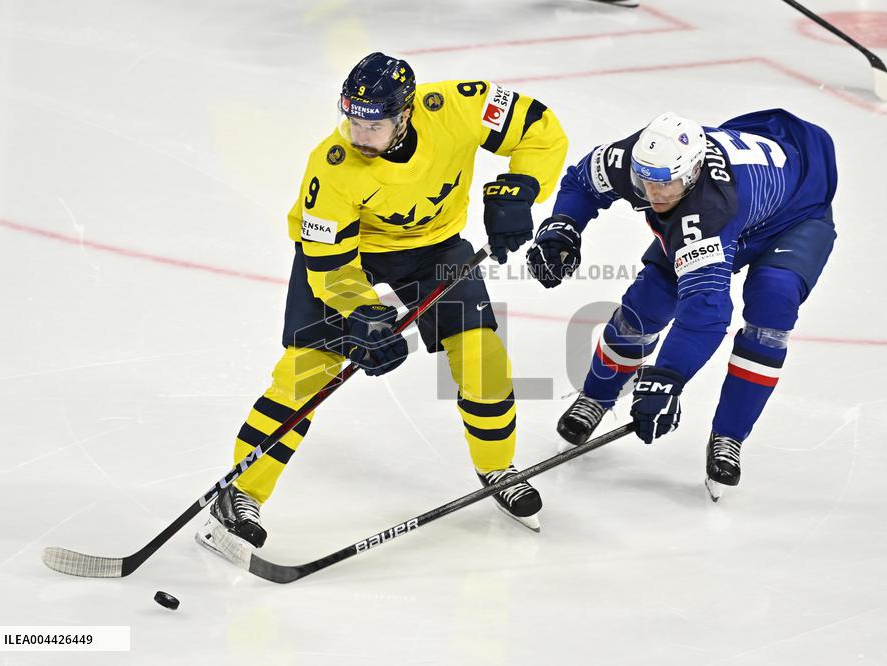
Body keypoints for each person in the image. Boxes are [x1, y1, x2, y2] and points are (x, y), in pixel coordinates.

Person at [197, 52, 568, 561]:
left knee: (484, 359)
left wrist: (522, 189)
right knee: (305, 372)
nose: (359, 135)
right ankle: (241, 493)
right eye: (353, 120)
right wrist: (363, 316)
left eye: (373, 125)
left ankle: (498, 468)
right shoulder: (331, 166)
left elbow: (541, 130)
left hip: (435, 248)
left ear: (406, 113)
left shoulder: (458, 106)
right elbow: (329, 266)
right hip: (349, 257)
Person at [526, 108, 836, 500]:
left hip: (796, 212)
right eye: (644, 182)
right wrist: (563, 227)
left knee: (772, 305)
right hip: (740, 202)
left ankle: (729, 435)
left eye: (665, 185)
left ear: (692, 174)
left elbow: (706, 314)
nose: (653, 194)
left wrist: (668, 377)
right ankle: (596, 396)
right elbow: (582, 182)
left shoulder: (706, 210)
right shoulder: (632, 158)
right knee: (646, 303)